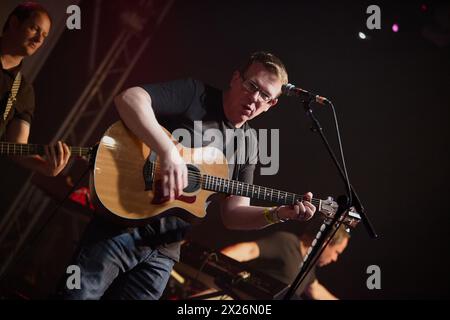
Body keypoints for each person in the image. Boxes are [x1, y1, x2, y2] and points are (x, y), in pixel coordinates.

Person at [61, 51, 317, 300]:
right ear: (235, 78)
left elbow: (233, 214)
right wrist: (169, 153)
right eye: (251, 86)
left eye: (264, 95)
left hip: (164, 252)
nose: (254, 98)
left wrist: (279, 214)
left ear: (272, 104)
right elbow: (129, 98)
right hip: (122, 226)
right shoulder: (196, 94)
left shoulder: (249, 145)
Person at [1, 2, 70, 176]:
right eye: (34, 28)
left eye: (44, 36)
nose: (39, 40)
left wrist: (45, 167)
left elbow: (17, 147)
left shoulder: (23, 91)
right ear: (14, 23)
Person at [221, 225, 350, 300]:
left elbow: (315, 290)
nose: (335, 259)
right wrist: (213, 260)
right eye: (336, 252)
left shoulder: (308, 266)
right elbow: (250, 250)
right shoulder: (287, 242)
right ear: (326, 242)